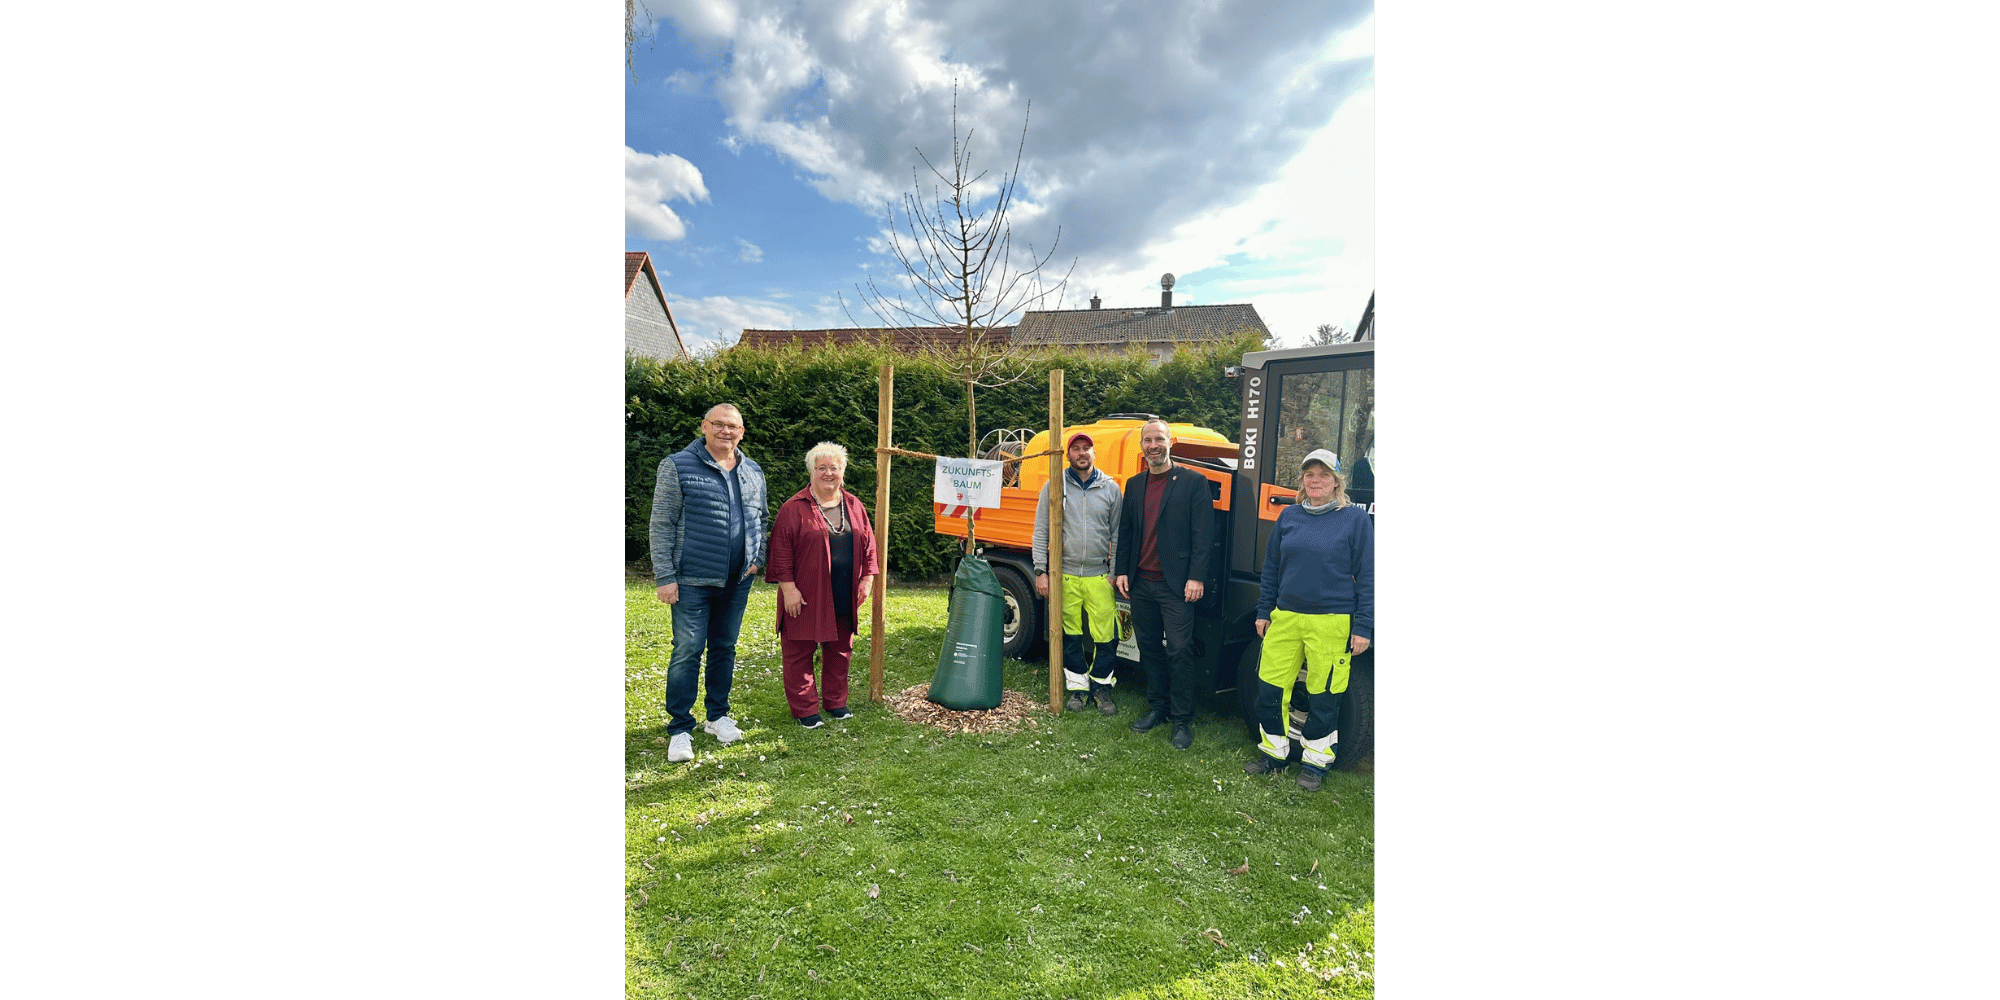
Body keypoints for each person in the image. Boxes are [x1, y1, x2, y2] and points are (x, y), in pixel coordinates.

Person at [1244, 449, 1374, 792]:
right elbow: (1271, 568)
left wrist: (1363, 627)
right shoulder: (1288, 517)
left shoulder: (1355, 520)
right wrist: (1263, 611)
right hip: (1285, 618)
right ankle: (1273, 753)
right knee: (1270, 690)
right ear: (1303, 480)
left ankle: (1315, 763)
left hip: (1331, 622)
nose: (1315, 480)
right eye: (1309, 474)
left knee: (1324, 696)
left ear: (1336, 482)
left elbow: (1369, 577)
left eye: (1324, 474)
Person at [649, 404, 767, 763]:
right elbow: (661, 523)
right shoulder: (678, 465)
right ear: (704, 427)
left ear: (742, 432)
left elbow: (760, 516)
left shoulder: (753, 470)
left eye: (733, 426)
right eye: (718, 424)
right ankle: (680, 728)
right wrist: (665, 577)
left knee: (724, 647)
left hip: (737, 579)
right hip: (691, 580)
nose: (725, 431)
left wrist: (757, 559)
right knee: (687, 650)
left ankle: (717, 716)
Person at [1114, 419, 1217, 750]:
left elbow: (1204, 534)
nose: (1153, 445)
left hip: (1177, 587)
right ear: (1142, 446)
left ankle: (1182, 719)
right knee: (1149, 649)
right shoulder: (1134, 484)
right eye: (1148, 440)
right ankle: (1157, 707)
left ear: (1171, 442)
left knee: (1179, 651)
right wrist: (1123, 571)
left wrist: (1197, 576)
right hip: (1141, 582)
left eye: (1159, 438)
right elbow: (1127, 532)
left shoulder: (1192, 482)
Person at [766, 442, 878, 729]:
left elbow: (868, 546)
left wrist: (866, 580)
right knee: (799, 651)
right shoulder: (793, 508)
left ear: (843, 471)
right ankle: (805, 709)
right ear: (811, 472)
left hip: (843, 591)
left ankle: (836, 702)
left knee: (840, 649)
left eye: (835, 468)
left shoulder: (854, 505)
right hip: (804, 593)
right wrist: (788, 589)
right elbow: (780, 551)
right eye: (822, 468)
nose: (829, 473)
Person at [1033, 431, 1123, 715]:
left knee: (1106, 636)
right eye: (1076, 449)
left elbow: (1119, 534)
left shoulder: (1111, 489)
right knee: (1070, 636)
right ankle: (1077, 689)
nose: (1082, 453)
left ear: (1094, 453)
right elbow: (1041, 530)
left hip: (1099, 576)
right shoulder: (1054, 486)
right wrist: (1041, 570)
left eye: (1087, 448)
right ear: (1068, 454)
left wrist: (1113, 572)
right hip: (1066, 576)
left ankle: (1101, 688)